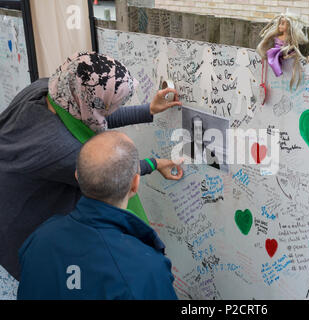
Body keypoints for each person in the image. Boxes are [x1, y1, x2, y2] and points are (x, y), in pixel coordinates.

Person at [0, 52, 183, 280]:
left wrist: (148, 110)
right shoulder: (61, 148)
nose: (108, 112)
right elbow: (113, 172)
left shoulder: (47, 90)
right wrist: (155, 163)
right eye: (110, 107)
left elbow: (91, 116)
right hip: (22, 220)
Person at [17, 131, 178, 299]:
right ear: (135, 185)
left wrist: (154, 163)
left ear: (77, 176)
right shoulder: (147, 270)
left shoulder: (40, 237)